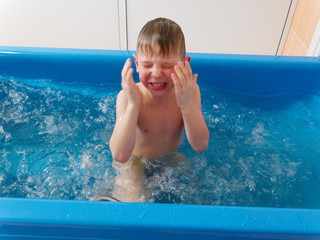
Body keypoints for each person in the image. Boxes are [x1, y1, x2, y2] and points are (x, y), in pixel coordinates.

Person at [109, 17, 209, 202]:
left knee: (200, 195)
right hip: (135, 162)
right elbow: (120, 155)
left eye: (167, 65)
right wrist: (133, 105)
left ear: (185, 64)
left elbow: (200, 144)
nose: (156, 73)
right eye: (147, 65)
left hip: (171, 157)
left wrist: (186, 104)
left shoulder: (190, 92)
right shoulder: (127, 96)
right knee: (130, 201)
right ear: (137, 64)